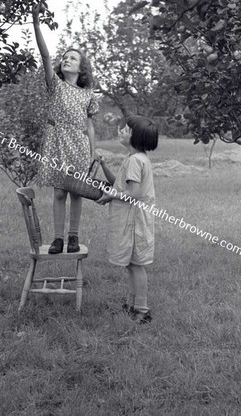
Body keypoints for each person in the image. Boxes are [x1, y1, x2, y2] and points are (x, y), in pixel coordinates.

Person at [32, 3, 99, 254]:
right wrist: (37, 24)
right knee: (59, 192)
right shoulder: (56, 86)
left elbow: (89, 126)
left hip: (79, 145)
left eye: (72, 58)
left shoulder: (88, 95)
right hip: (57, 141)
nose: (66, 59)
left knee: (76, 192)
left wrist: (93, 151)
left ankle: (73, 237)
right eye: (65, 57)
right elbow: (46, 56)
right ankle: (58, 239)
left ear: (81, 68)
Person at [97, 116, 158, 324]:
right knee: (131, 264)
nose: (121, 130)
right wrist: (104, 166)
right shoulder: (137, 158)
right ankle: (131, 305)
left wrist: (109, 196)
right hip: (134, 220)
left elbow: (132, 193)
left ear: (135, 136)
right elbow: (120, 185)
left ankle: (142, 310)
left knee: (136, 265)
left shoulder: (134, 161)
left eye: (126, 128)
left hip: (134, 222)